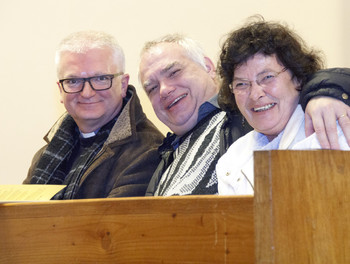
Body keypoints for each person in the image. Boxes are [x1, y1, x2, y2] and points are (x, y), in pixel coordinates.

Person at [139, 33, 350, 196]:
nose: (164, 90)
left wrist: (329, 92)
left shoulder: (235, 119)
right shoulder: (170, 155)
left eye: (174, 72)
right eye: (151, 88)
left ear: (208, 67)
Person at [215, 18, 350, 195]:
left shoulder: (331, 125)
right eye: (241, 84)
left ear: (298, 77)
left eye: (267, 77)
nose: (255, 94)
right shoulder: (232, 159)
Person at [23, 30, 164, 199]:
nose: (87, 93)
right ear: (61, 90)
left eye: (100, 78)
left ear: (123, 84)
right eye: (73, 81)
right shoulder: (46, 155)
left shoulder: (148, 151)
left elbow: (112, 225)